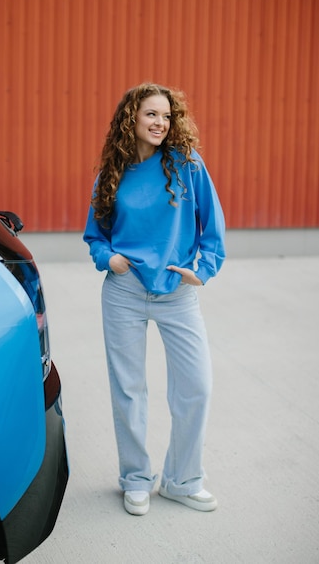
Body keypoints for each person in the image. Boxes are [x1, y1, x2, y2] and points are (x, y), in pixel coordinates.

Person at [83, 82, 225, 516]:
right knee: (130, 390)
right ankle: (136, 479)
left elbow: (212, 232)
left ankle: (181, 481)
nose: (160, 122)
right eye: (151, 114)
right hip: (124, 292)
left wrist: (199, 272)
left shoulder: (187, 164)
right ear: (132, 118)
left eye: (166, 115)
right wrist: (112, 260)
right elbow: (95, 237)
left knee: (196, 387)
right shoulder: (112, 172)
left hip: (177, 293)